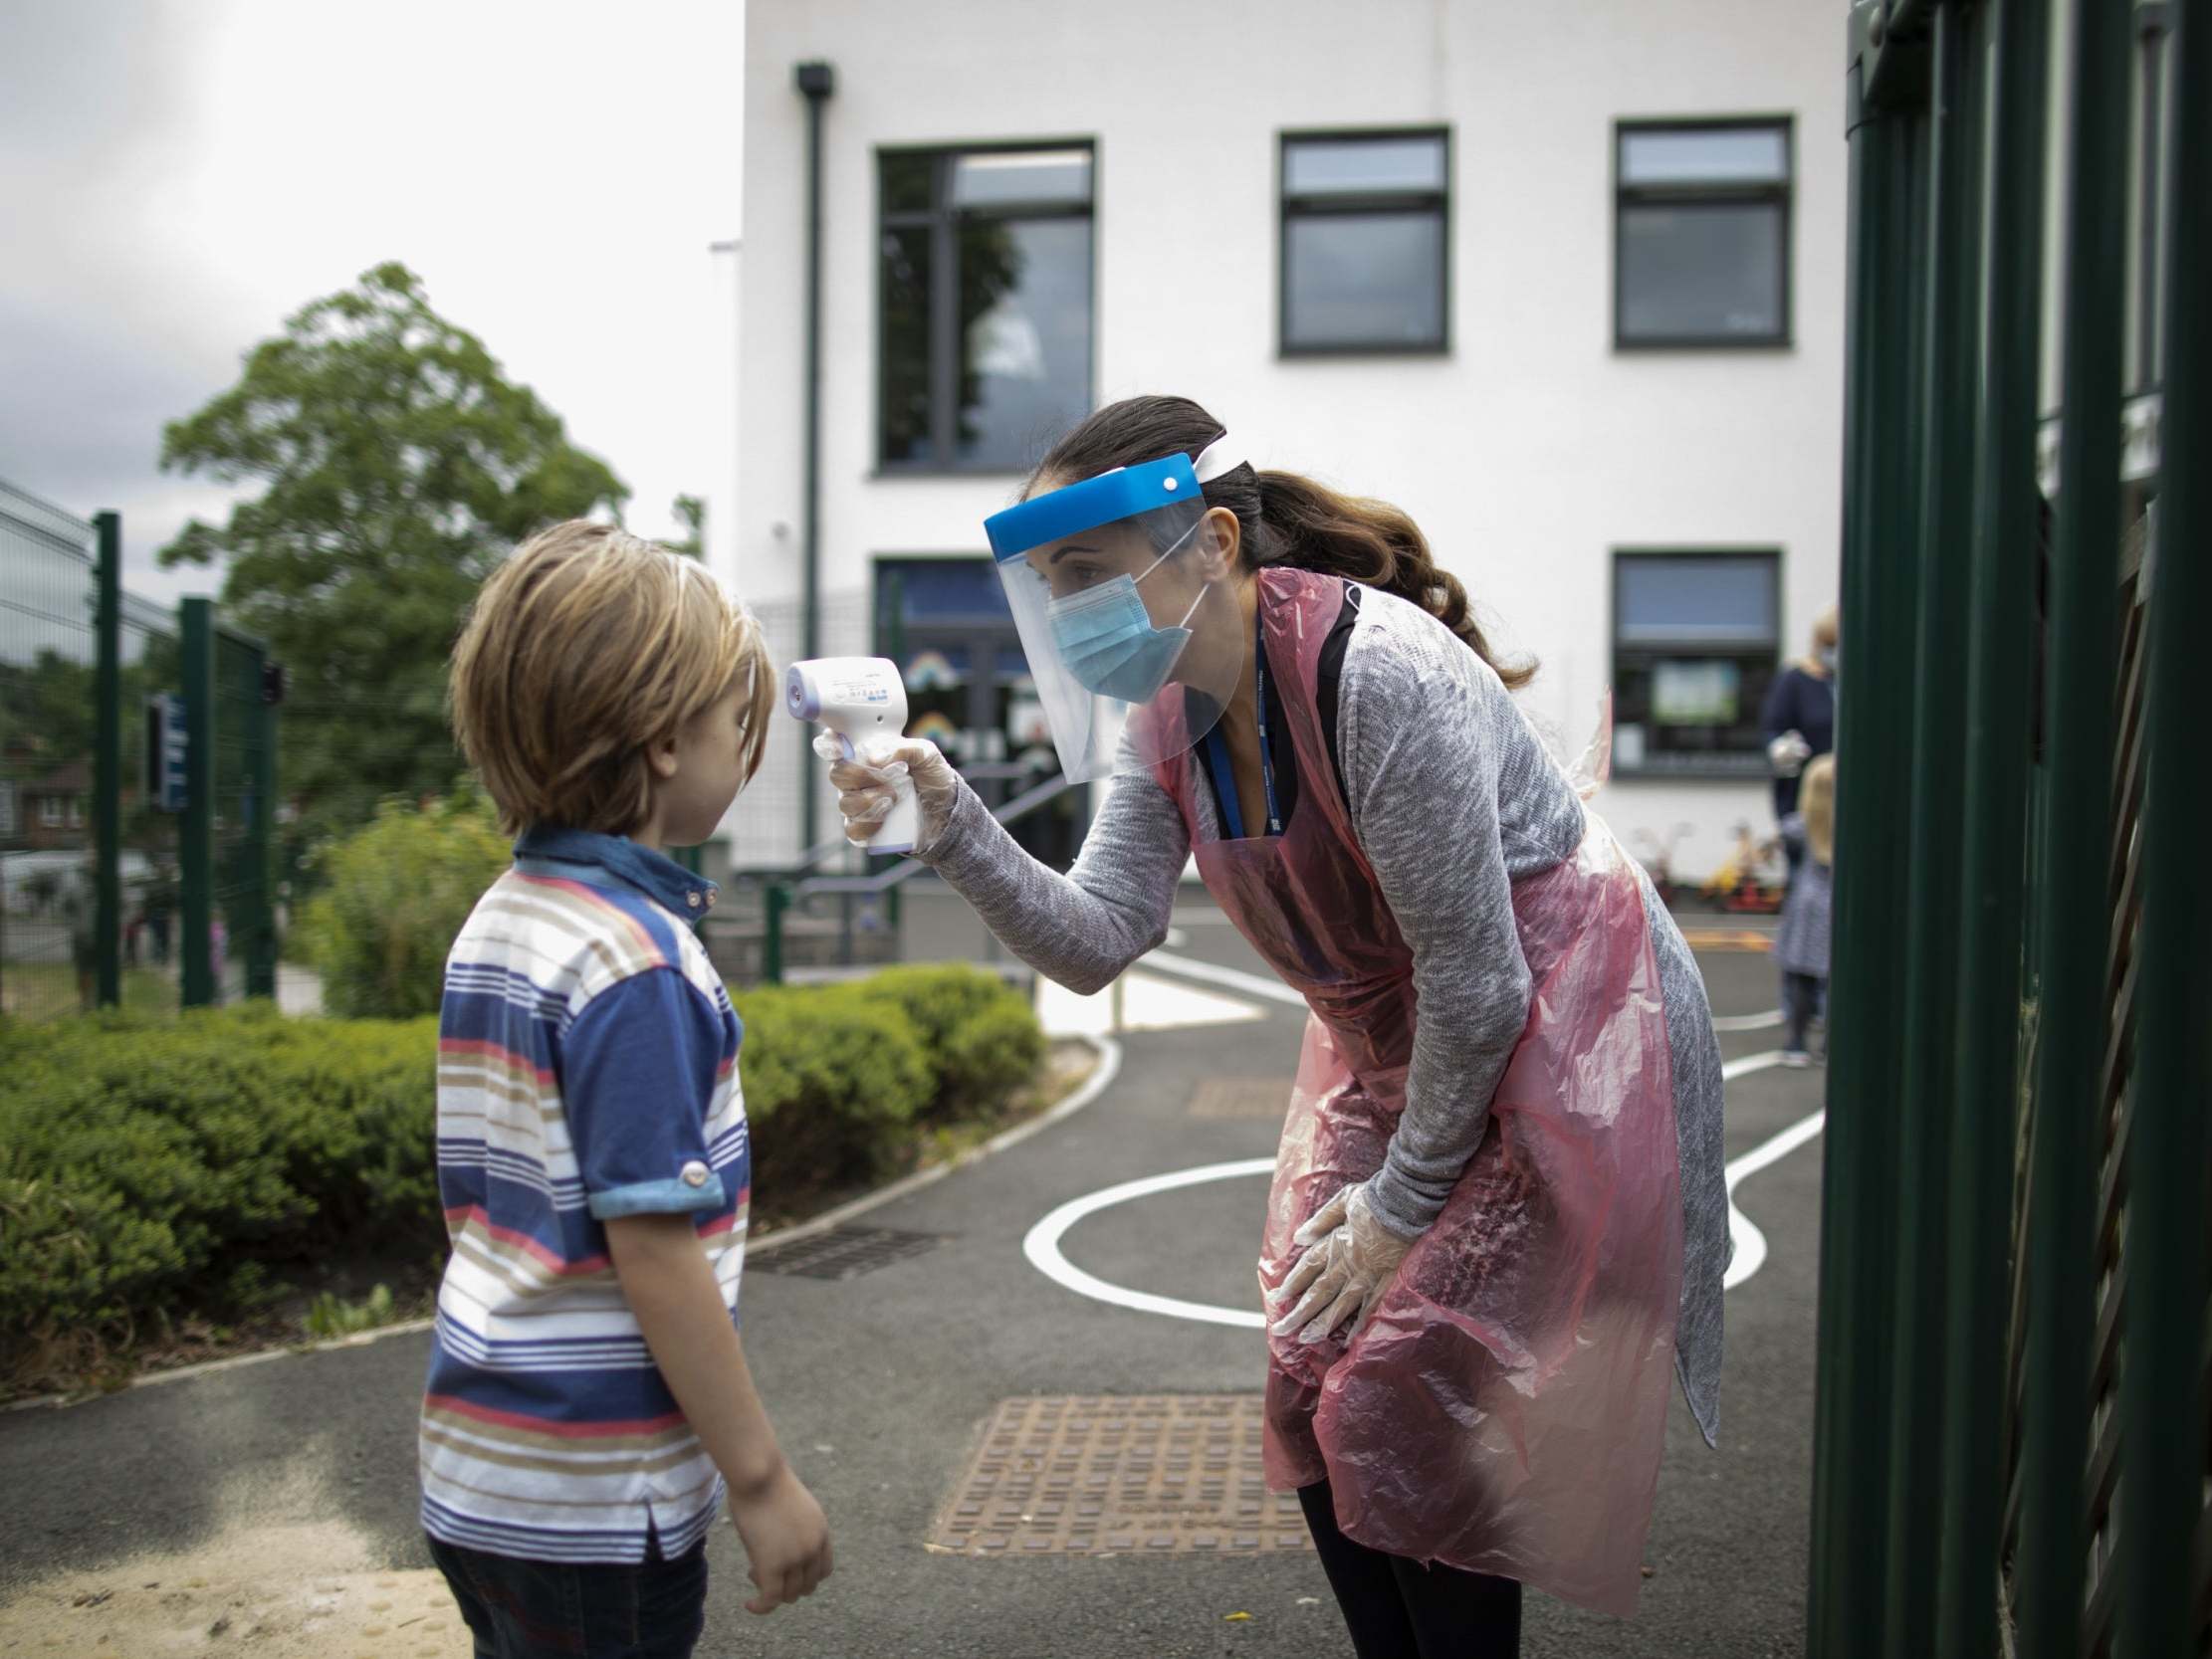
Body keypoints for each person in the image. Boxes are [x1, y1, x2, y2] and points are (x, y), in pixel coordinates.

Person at [821, 397, 1728, 1653]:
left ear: (1213, 542)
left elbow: (1479, 987)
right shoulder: (1165, 717)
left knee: (1404, 1378)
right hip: (1409, 1041)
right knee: (1308, 1372)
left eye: (1085, 569)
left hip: (1563, 1023)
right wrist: (950, 821)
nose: (1068, 606)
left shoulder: (1379, 677)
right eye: (1050, 581)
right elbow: (1094, 940)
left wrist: (1395, 1210)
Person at [427, 521, 831, 1657]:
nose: (744, 752)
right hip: (599, 1499)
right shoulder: (633, 960)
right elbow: (653, 1244)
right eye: (733, 721)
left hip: (481, 1465)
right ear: (663, 740)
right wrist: (759, 1478)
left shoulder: (505, 917)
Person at [1760, 607, 1838, 865]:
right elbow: (1773, 730)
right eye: (1830, 644)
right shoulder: (1796, 681)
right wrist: (1780, 750)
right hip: (1810, 805)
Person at [1774, 754, 1835, 1067]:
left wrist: (1785, 778)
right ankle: (1829, 1045)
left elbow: (1782, 824)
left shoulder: (1801, 825)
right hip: (1837, 906)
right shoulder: (1852, 825)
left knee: (1800, 976)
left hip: (1806, 906)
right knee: (1834, 979)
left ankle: (1796, 1042)